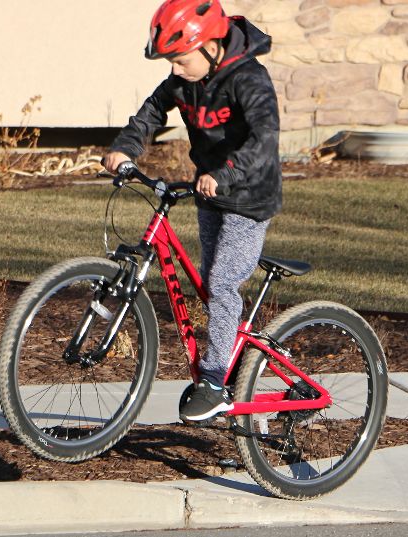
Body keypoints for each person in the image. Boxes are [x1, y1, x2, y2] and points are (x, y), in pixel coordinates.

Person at [102, 0, 282, 422]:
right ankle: (237, 365)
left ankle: (217, 380)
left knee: (221, 284)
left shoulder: (249, 78)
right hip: (210, 193)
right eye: (171, 62)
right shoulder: (184, 81)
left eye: (180, 60)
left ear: (210, 46)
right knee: (210, 286)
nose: (176, 70)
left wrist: (225, 173)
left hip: (249, 198)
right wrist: (125, 147)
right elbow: (150, 113)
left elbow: (265, 138)